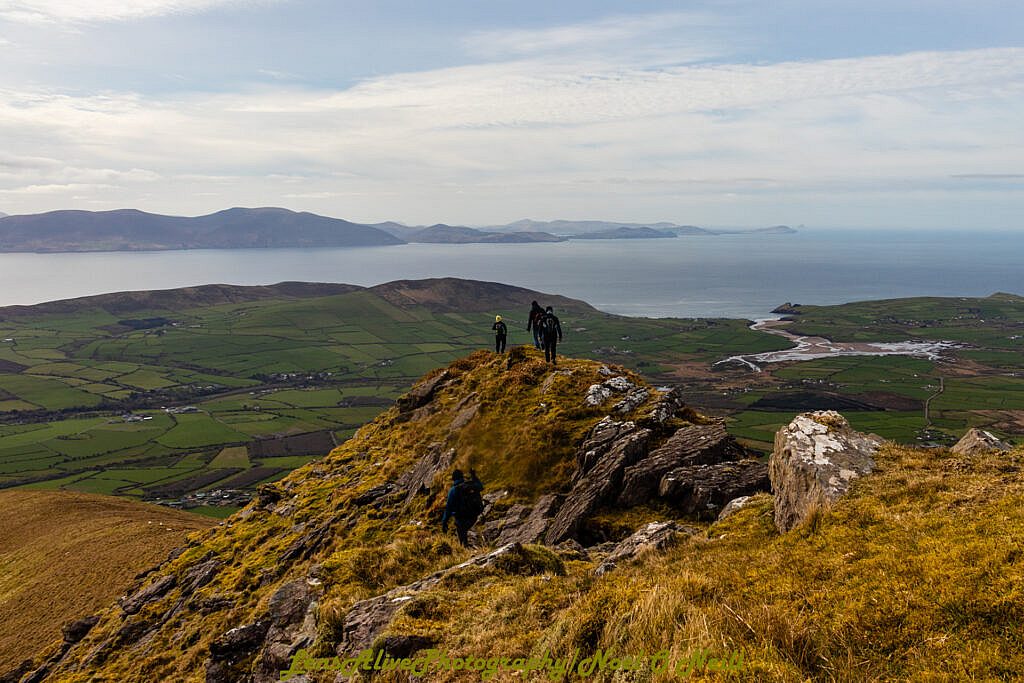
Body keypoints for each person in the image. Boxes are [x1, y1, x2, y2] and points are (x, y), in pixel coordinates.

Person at [441, 468, 484, 547]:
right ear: (462, 477)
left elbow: (448, 509)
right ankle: (475, 545)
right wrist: (474, 476)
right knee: (469, 531)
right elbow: (480, 487)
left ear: (453, 479)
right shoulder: (470, 485)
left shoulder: (453, 491)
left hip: (461, 519)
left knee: (462, 537)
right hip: (473, 516)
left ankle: (465, 548)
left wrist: (444, 522)